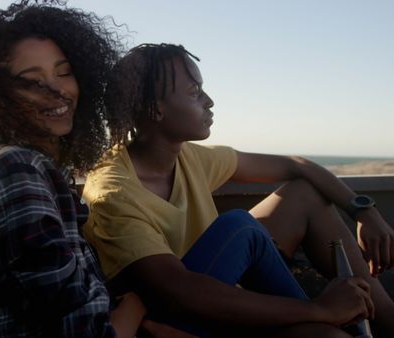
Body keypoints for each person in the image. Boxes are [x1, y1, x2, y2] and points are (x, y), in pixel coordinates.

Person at [82, 43, 394, 337]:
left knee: (302, 196)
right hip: (175, 315)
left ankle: (385, 319)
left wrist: (364, 211)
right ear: (155, 110)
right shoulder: (114, 193)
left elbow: (296, 165)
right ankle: (330, 316)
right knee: (239, 227)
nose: (209, 101)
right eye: (194, 93)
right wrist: (317, 309)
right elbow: (178, 291)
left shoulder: (187, 156)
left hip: (216, 286)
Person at [0, 2, 195, 337]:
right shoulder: (18, 172)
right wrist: (139, 302)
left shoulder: (45, 170)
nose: (56, 91)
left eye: (64, 72)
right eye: (30, 82)